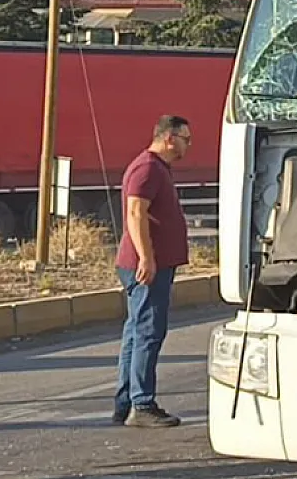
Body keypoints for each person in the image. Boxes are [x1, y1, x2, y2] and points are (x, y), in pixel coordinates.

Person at [113, 114, 192, 427]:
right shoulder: (147, 167)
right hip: (146, 267)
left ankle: (126, 402)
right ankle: (142, 404)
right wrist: (146, 257)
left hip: (150, 265)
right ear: (169, 138)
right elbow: (136, 212)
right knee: (147, 332)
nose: (189, 145)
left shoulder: (157, 168)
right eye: (186, 139)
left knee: (136, 332)